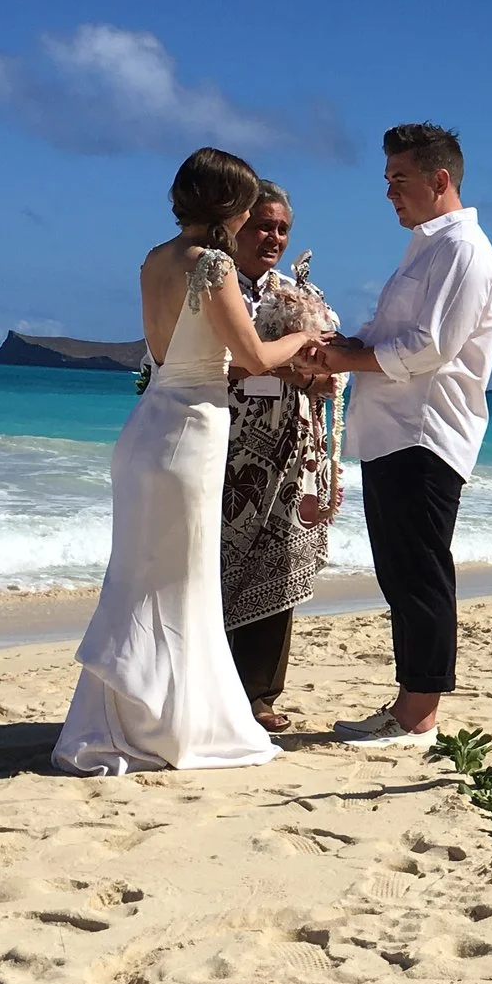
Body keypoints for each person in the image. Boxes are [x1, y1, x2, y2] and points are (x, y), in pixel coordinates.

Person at [53, 149, 326, 775]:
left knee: (138, 578)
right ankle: (171, 722)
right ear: (230, 206)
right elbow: (254, 356)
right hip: (192, 430)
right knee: (181, 584)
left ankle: (130, 713)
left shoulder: (155, 259)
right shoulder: (214, 265)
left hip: (147, 427)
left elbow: (163, 347)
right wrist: (306, 340)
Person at [317, 123, 492, 747]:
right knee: (401, 572)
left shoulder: (463, 249)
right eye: (388, 180)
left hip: (426, 431)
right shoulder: (425, 247)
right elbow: (392, 329)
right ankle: (409, 703)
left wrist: (348, 361)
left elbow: (431, 347)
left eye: (400, 179)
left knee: (419, 572)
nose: (390, 192)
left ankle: (420, 712)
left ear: (439, 179)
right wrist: (340, 345)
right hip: (392, 431)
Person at [221, 181, 336, 733]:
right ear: (237, 225)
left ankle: (260, 695)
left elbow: (324, 372)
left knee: (278, 562)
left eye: (282, 228)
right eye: (263, 225)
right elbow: (200, 362)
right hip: (222, 445)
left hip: (288, 452)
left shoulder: (299, 295)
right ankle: (212, 688)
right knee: (213, 566)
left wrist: (321, 378)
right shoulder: (213, 285)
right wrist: (285, 365)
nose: (273, 237)